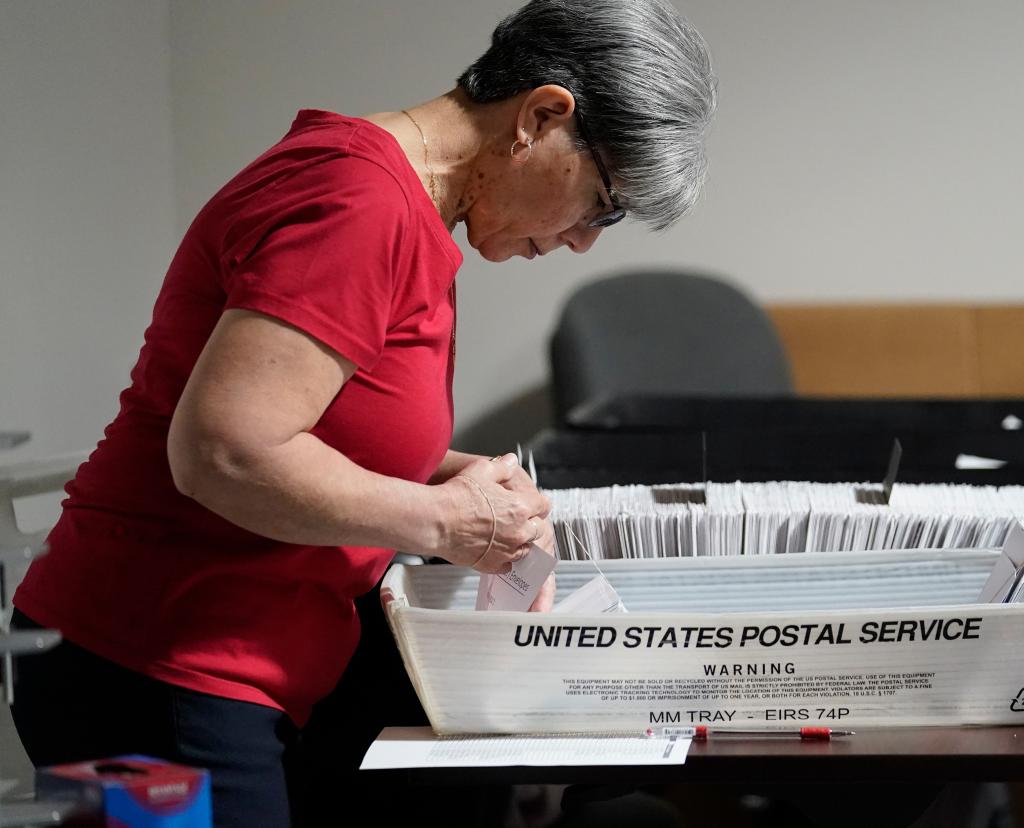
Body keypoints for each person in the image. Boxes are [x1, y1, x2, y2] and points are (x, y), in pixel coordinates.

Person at [9, 0, 717, 825]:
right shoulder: (359, 203)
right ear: (542, 116)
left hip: (215, 666)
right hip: (150, 666)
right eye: (602, 204)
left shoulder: (402, 205)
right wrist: (447, 524)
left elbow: (316, 429)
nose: (586, 241)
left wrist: (462, 482)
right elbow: (224, 452)